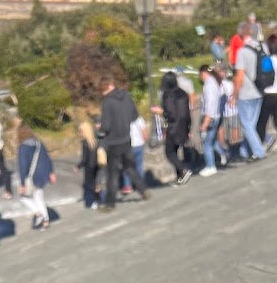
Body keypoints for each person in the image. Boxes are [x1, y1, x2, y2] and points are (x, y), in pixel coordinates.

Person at [98, 76, 149, 211]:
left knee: (113, 173)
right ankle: (143, 190)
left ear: (106, 88)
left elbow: (106, 126)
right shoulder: (126, 96)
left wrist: (100, 130)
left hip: (113, 141)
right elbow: (134, 115)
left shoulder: (107, 102)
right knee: (129, 167)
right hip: (127, 138)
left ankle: (110, 204)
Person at [231, 21, 267, 161]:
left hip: (246, 93)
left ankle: (259, 152)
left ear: (240, 35)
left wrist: (234, 95)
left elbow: (239, 76)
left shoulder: (242, 52)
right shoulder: (262, 46)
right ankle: (244, 151)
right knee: (251, 124)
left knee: (247, 125)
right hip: (260, 90)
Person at [153, 72, 192, 184]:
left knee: (169, 152)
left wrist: (160, 111)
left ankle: (183, 170)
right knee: (175, 151)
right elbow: (186, 111)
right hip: (184, 125)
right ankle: (180, 176)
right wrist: (189, 127)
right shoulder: (183, 93)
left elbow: (171, 114)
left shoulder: (168, 95)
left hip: (174, 126)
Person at [17, 122, 56, 231]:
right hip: (42, 175)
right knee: (39, 197)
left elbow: (23, 167)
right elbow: (48, 159)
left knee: (23, 198)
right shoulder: (39, 143)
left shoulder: (23, 148)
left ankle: (38, 213)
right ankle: (46, 221)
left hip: (31, 177)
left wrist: (22, 184)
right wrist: (51, 172)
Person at [256, 34, 277, 152]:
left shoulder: (269, 60)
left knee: (262, 123)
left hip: (268, 93)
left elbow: (263, 74)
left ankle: (260, 147)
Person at [198, 65, 227, 176]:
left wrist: (205, 122)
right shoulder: (214, 82)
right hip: (216, 115)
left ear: (203, 73)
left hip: (211, 116)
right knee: (213, 140)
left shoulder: (209, 85)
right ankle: (222, 155)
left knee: (207, 144)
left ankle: (210, 166)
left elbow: (210, 103)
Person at [77, 118, 100, 208]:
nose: (79, 133)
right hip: (96, 165)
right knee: (94, 183)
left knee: (88, 185)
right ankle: (97, 200)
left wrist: (78, 166)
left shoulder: (85, 143)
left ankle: (90, 202)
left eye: (80, 131)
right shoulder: (95, 141)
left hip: (89, 166)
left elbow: (84, 159)